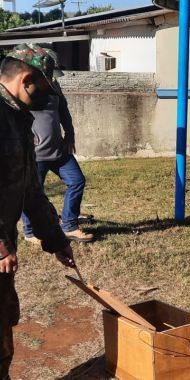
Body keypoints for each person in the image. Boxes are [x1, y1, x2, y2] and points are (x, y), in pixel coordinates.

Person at [0, 43, 76, 379]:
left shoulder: (16, 118)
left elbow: (31, 190)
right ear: (26, 79)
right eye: (46, 88)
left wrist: (56, 240)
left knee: (3, 321)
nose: (49, 97)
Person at [21, 49, 93, 244]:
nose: (52, 79)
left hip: (59, 150)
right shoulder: (25, 89)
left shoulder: (55, 87)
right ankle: (29, 232)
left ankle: (69, 225)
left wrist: (69, 135)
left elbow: (64, 113)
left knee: (77, 181)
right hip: (35, 155)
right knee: (32, 193)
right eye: (49, 74)